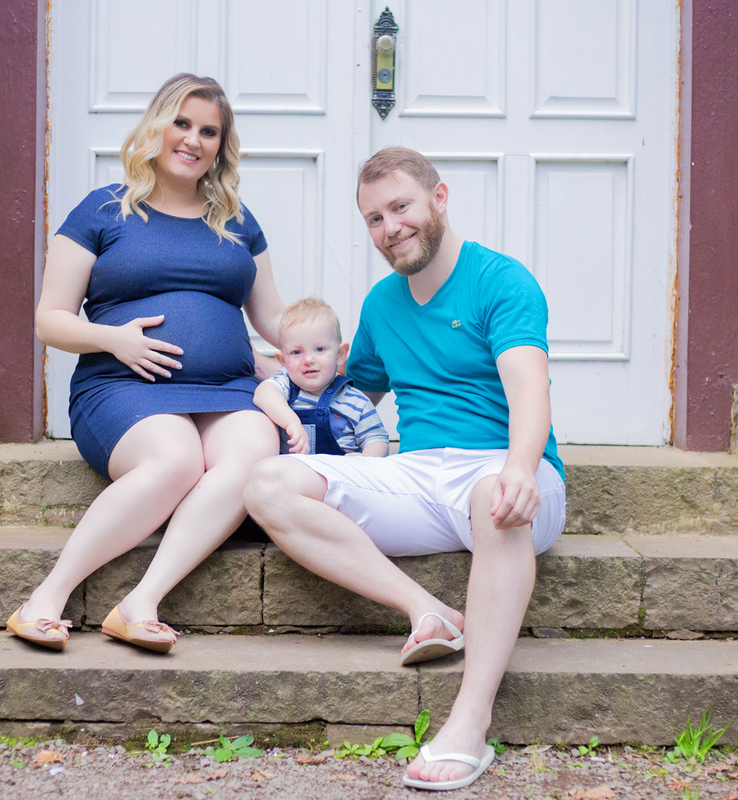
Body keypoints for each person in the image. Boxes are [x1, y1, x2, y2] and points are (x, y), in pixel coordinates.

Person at [244, 146, 566, 791]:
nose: (390, 228)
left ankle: (469, 722)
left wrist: (521, 468)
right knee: (266, 483)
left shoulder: (500, 281)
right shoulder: (383, 304)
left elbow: (530, 388)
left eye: (400, 207)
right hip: (418, 475)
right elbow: (347, 391)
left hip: (505, 469)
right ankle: (429, 609)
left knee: (494, 498)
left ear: (438, 198)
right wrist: (267, 372)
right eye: (374, 218)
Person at [7, 73, 284, 654]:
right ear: (158, 126)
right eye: (182, 123)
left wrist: (333, 347)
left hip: (228, 389)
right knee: (176, 458)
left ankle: (140, 602)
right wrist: (114, 340)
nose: (193, 140)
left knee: (254, 456)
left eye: (209, 131)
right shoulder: (103, 210)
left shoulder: (236, 220)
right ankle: (46, 599)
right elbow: (50, 319)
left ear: (221, 145)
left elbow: (273, 319)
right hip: (123, 385)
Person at [253, 297, 389, 457]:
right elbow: (263, 393)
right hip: (293, 471)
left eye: (319, 349)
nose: (308, 360)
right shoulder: (285, 387)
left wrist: (365, 459)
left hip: (341, 470)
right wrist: (291, 422)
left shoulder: (356, 402)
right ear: (283, 361)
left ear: (339, 354)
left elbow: (377, 438)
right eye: (296, 352)